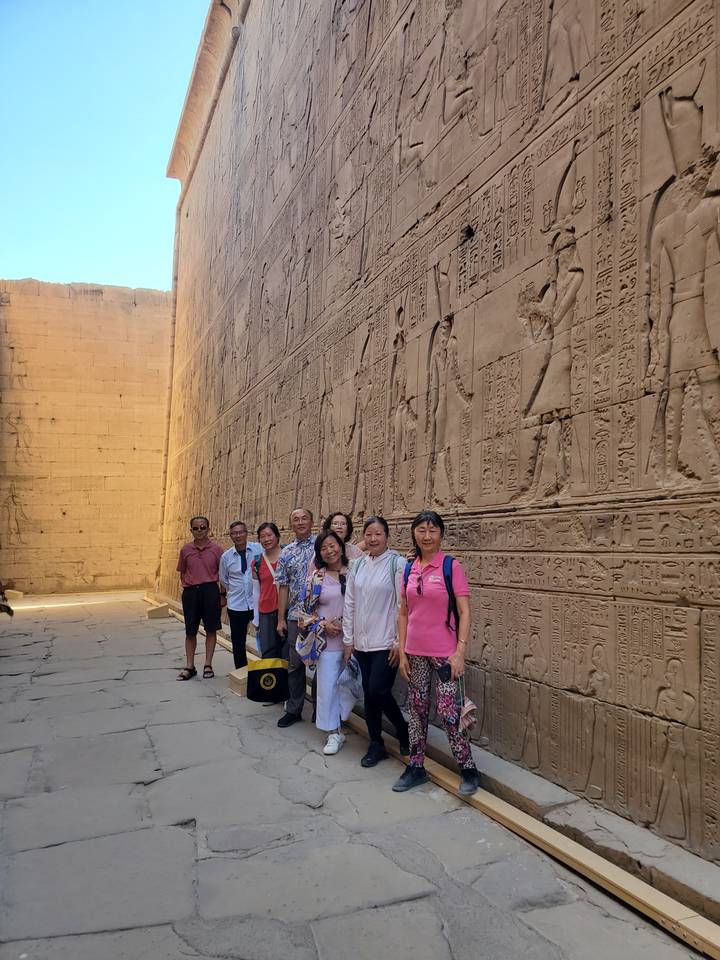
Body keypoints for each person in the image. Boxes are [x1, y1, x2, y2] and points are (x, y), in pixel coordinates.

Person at [394, 510, 481, 796]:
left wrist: (460, 651)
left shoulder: (450, 567)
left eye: (432, 530)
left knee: (448, 712)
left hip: (444, 653)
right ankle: (415, 766)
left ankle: (467, 768)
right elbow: (404, 612)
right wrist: (403, 651)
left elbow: (465, 611)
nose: (427, 535)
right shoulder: (409, 568)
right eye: (421, 530)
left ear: (440, 534)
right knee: (417, 711)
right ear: (414, 533)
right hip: (415, 652)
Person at [343, 516, 409, 767]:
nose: (373, 538)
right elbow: (350, 603)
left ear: (387, 537)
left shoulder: (397, 564)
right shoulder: (358, 566)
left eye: (378, 534)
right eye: (368, 534)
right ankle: (376, 744)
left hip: (386, 643)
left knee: (376, 690)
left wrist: (398, 641)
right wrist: (349, 640)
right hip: (362, 643)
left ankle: (402, 729)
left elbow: (403, 606)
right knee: (371, 696)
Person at [302, 530, 354, 754]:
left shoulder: (356, 572)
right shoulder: (316, 578)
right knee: (327, 688)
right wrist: (323, 624)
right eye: (323, 548)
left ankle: (341, 721)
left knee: (351, 688)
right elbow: (304, 614)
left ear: (341, 547)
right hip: (327, 644)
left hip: (355, 642)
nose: (329, 550)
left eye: (332, 545)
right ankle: (333, 733)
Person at [276, 508, 316, 727]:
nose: (300, 522)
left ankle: (321, 711)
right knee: (295, 663)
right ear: (291, 524)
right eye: (295, 519)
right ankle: (294, 708)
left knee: (322, 664)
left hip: (320, 615)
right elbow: (283, 586)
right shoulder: (286, 552)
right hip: (295, 616)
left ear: (312, 522)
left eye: (304, 519)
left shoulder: (322, 546)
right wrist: (281, 618)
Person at [176, 516, 224, 680]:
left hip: (210, 591)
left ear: (208, 529)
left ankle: (208, 664)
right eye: (196, 528)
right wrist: (188, 587)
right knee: (190, 631)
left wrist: (222, 595)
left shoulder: (217, 550)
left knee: (211, 629)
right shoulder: (186, 550)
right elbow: (182, 571)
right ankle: (190, 666)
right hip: (191, 592)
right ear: (191, 530)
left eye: (203, 527)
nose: (199, 531)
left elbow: (222, 574)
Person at [219, 520, 262, 670]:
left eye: (241, 532)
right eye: (234, 533)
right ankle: (242, 673)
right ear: (230, 536)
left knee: (264, 640)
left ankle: (266, 673)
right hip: (236, 605)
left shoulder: (258, 549)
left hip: (257, 603)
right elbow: (224, 579)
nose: (238, 536)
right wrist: (235, 590)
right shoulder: (226, 557)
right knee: (238, 642)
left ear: (246, 533)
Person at [252, 521, 283, 656]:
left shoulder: (288, 556)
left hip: (287, 610)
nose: (266, 539)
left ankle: (287, 678)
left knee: (288, 652)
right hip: (266, 612)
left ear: (277, 536)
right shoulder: (257, 562)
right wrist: (256, 618)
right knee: (268, 652)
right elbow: (256, 590)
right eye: (262, 537)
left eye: (269, 535)